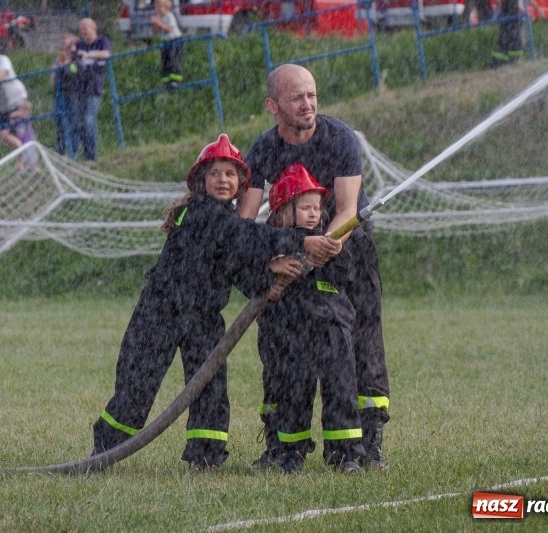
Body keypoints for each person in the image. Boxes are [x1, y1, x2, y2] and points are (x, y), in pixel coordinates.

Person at [90, 134, 342, 470]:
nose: (222, 180)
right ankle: (105, 450)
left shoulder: (226, 222)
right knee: (138, 383)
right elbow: (246, 237)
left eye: (230, 174)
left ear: (240, 184)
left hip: (203, 316)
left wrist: (268, 279)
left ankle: (205, 457)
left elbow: (233, 265)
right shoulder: (201, 212)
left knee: (209, 385)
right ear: (200, 180)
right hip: (161, 312)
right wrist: (301, 239)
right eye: (215, 173)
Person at [237, 63, 391, 470]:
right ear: (273, 106)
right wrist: (272, 262)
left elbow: (345, 210)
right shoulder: (264, 149)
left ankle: (366, 442)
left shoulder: (339, 138)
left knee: (359, 343)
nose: (307, 105)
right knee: (280, 347)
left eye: (312, 95)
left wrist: (319, 248)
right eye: (296, 98)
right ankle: (282, 444)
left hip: (346, 249)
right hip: (287, 255)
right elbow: (244, 220)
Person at [259, 163, 366, 475]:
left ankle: (344, 454)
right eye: (304, 207)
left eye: (317, 208)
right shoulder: (275, 244)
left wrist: (330, 256)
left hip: (333, 330)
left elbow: (348, 275)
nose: (313, 214)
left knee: (341, 390)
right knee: (293, 392)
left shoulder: (330, 240)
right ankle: (291, 453)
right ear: (280, 212)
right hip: (292, 332)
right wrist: (281, 264)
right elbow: (262, 280)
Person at [72, 18, 111, 166]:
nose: (82, 31)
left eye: (85, 28)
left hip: (94, 86)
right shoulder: (79, 44)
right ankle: (82, 154)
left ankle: (91, 156)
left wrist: (88, 56)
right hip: (80, 86)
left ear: (93, 28)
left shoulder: (102, 41)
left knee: (89, 120)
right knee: (80, 123)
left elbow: (106, 54)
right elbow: (73, 59)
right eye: (81, 29)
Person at [489, 0, 542, 68]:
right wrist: (524, 12)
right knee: (510, 42)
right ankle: (500, 64)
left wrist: (537, 8)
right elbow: (510, 4)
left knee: (516, 42)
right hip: (510, 18)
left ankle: (509, 63)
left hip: (516, 19)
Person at [52, 33, 79, 158]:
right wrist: (60, 66)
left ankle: (73, 152)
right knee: (60, 124)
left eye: (65, 39)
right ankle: (61, 153)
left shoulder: (76, 56)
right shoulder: (58, 58)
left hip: (73, 93)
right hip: (59, 93)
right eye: (62, 40)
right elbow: (52, 77)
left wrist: (64, 67)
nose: (63, 41)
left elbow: (74, 72)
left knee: (73, 122)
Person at [151, 0, 184, 90]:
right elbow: (155, 32)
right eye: (157, 7)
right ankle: (165, 82)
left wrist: (159, 23)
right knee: (165, 61)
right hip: (165, 41)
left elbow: (169, 29)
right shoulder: (159, 17)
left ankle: (175, 81)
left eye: (160, 7)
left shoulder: (169, 16)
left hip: (174, 40)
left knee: (173, 59)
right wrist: (155, 25)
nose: (158, 9)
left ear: (166, 7)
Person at [9, 100, 38, 171]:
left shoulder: (26, 117)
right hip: (21, 140)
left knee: (31, 154)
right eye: (21, 109)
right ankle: (21, 167)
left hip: (29, 139)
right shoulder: (17, 119)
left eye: (25, 110)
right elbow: (11, 120)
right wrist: (12, 119)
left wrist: (15, 114)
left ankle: (33, 167)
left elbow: (24, 116)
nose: (22, 112)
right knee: (22, 155)